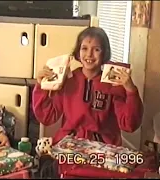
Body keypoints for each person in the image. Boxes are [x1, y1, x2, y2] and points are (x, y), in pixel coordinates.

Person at [33, 27, 144, 178]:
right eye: (84, 48)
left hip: (104, 150)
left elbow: (129, 124)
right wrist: (41, 86)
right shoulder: (68, 79)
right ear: (78, 52)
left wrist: (131, 91)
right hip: (69, 147)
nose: (89, 55)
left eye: (96, 49)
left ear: (104, 53)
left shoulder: (113, 83)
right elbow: (46, 117)